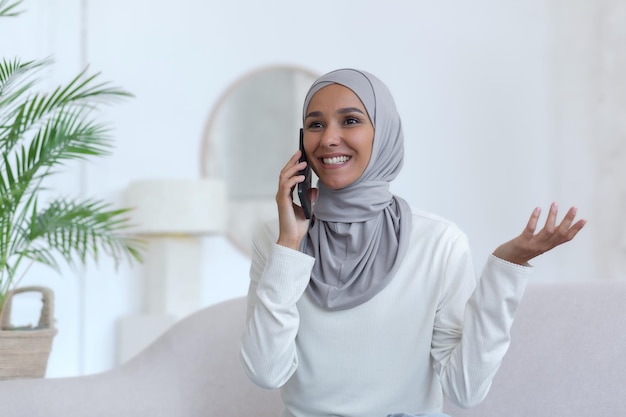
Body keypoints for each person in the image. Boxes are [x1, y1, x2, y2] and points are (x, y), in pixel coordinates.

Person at [240, 68, 586, 417]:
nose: (328, 138)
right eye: (315, 124)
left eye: (350, 121)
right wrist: (288, 247)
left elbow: (464, 390)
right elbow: (266, 372)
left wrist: (505, 269)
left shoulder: (438, 242)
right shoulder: (276, 239)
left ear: (384, 133)